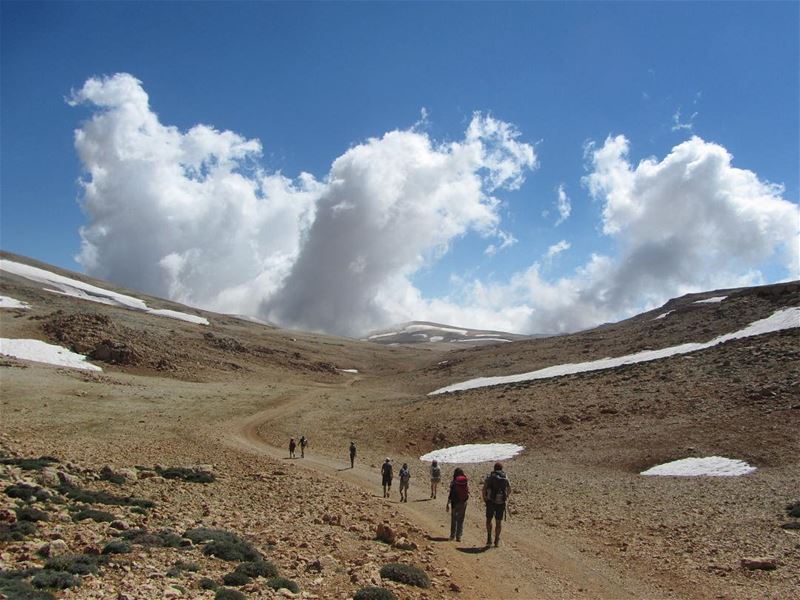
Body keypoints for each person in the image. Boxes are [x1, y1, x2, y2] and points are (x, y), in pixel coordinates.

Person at [482, 462, 511, 547]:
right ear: (501, 469)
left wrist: (485, 498)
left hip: (490, 501)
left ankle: (489, 538)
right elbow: (509, 489)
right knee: (498, 522)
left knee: (489, 520)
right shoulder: (505, 477)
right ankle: (496, 540)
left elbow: (484, 489)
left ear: (494, 468)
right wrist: (505, 497)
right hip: (501, 502)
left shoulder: (490, 477)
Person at [445, 468, 469, 542]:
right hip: (463, 502)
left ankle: (452, 535)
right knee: (460, 519)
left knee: (454, 519)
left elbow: (451, 493)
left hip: (454, 503)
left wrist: (448, 503)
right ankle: (458, 536)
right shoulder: (465, 481)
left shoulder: (454, 482)